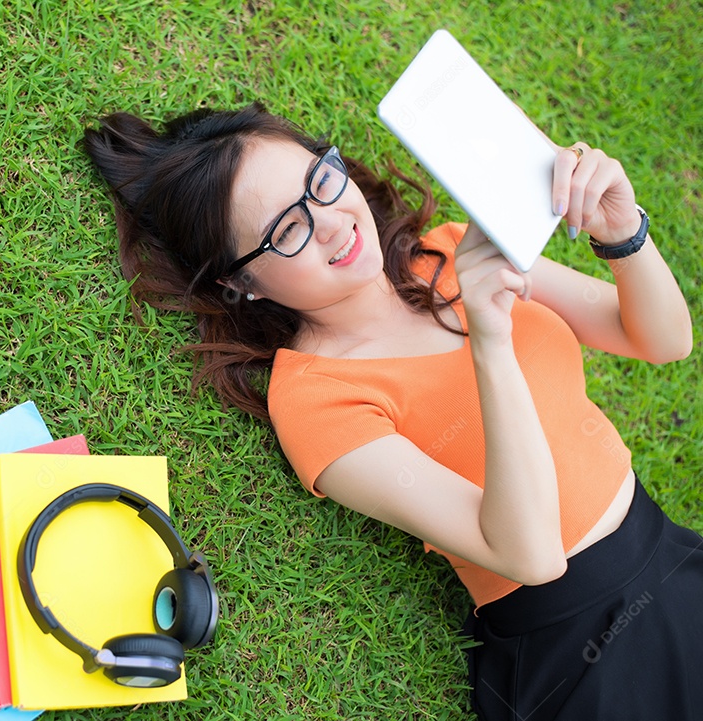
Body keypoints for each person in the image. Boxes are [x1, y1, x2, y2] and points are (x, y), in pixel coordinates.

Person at [81, 102, 703, 720]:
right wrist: (487, 338)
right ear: (242, 284)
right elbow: (534, 556)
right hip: (581, 650)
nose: (329, 222)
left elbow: (661, 339)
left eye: (318, 181)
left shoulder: (452, 250)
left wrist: (623, 231)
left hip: (675, 557)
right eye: (286, 230)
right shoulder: (314, 400)